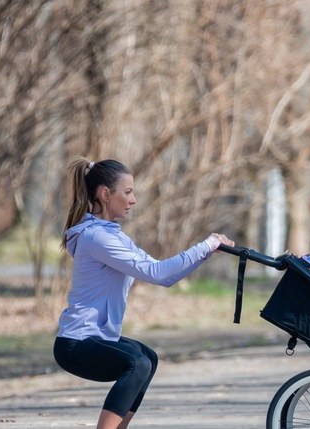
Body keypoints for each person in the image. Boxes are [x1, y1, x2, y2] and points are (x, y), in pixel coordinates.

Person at [52, 157, 234, 429]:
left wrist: (205, 252)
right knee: (136, 363)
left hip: (95, 338)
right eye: (127, 192)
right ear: (105, 194)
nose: (133, 199)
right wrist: (204, 245)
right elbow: (158, 273)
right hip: (76, 344)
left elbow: (163, 273)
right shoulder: (97, 238)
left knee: (147, 357)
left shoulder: (112, 235)